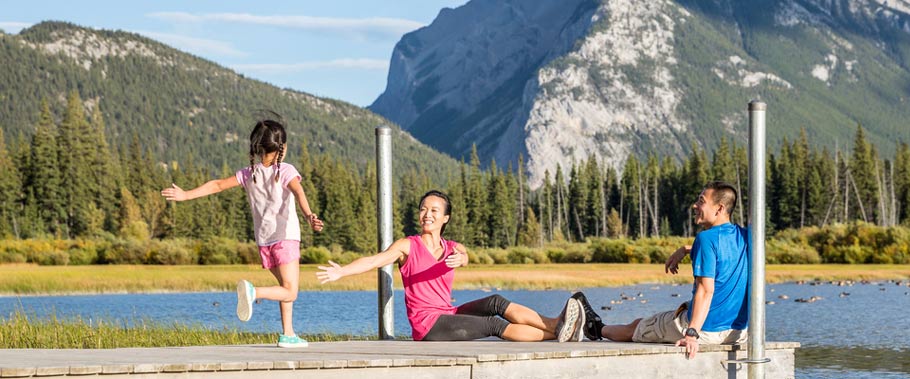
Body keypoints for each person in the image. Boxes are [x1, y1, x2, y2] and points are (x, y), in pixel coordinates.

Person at [316, 190, 586, 342]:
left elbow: (464, 253)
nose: (427, 214)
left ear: (445, 218)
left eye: (434, 210)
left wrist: (464, 258)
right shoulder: (407, 245)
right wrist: (342, 271)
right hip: (428, 326)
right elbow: (375, 260)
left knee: (495, 301)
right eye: (423, 209)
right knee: (492, 324)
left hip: (448, 311)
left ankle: (556, 325)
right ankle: (557, 331)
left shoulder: (451, 247)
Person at [161, 115, 324, 348]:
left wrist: (186, 194)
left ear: (257, 148)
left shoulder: (249, 173)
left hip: (265, 241)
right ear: (282, 149)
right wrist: (309, 215)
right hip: (285, 238)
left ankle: (288, 333)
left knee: (283, 288)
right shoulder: (286, 170)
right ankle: (253, 291)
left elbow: (217, 185)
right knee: (291, 291)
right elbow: (299, 192)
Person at [580, 181, 749, 358]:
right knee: (678, 310)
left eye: (701, 201)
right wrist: (686, 249)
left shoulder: (706, 238)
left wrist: (692, 334)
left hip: (705, 332)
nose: (695, 205)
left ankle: (596, 329)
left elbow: (706, 291)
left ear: (719, 208)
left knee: (637, 327)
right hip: (737, 333)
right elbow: (723, 254)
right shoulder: (746, 237)